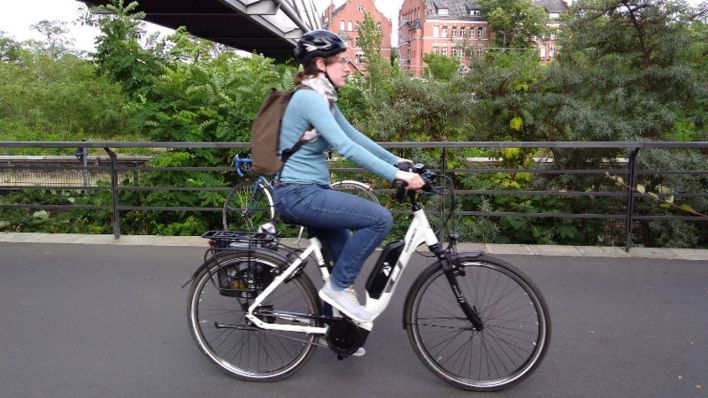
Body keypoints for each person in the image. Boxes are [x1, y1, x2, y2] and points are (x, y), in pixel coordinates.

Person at [274, 30, 424, 323]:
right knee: (379, 219)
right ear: (320, 64)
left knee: (342, 256)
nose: (348, 67)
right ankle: (338, 289)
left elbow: (353, 135)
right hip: (298, 194)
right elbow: (345, 147)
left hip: (310, 191)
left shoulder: (323, 97)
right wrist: (398, 175)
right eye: (342, 61)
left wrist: (398, 161)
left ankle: (337, 331)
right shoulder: (309, 99)